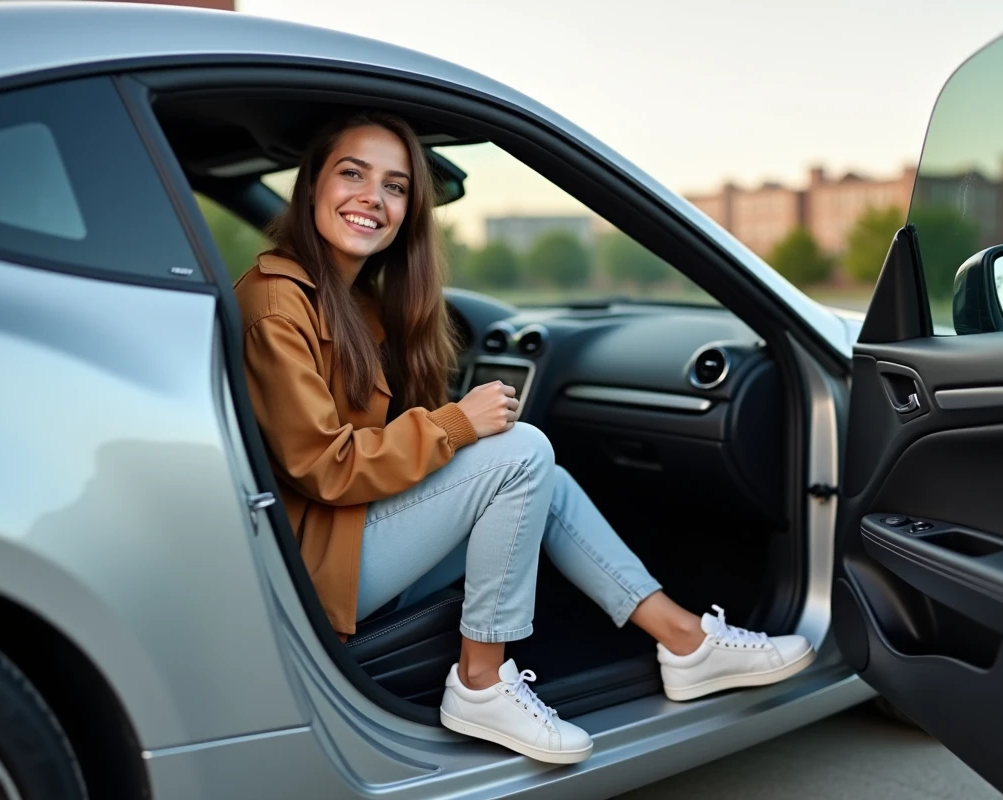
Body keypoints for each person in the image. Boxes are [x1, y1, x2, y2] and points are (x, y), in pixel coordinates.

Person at [234, 110, 815, 765]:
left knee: (546, 479)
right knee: (523, 454)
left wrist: (456, 432)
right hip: (318, 564)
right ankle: (481, 682)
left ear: (409, 211)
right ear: (312, 186)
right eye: (353, 174)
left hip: (346, 536)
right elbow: (326, 467)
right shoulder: (276, 304)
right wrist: (458, 424)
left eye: (395, 186)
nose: (373, 196)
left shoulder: (346, 301)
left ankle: (685, 643)